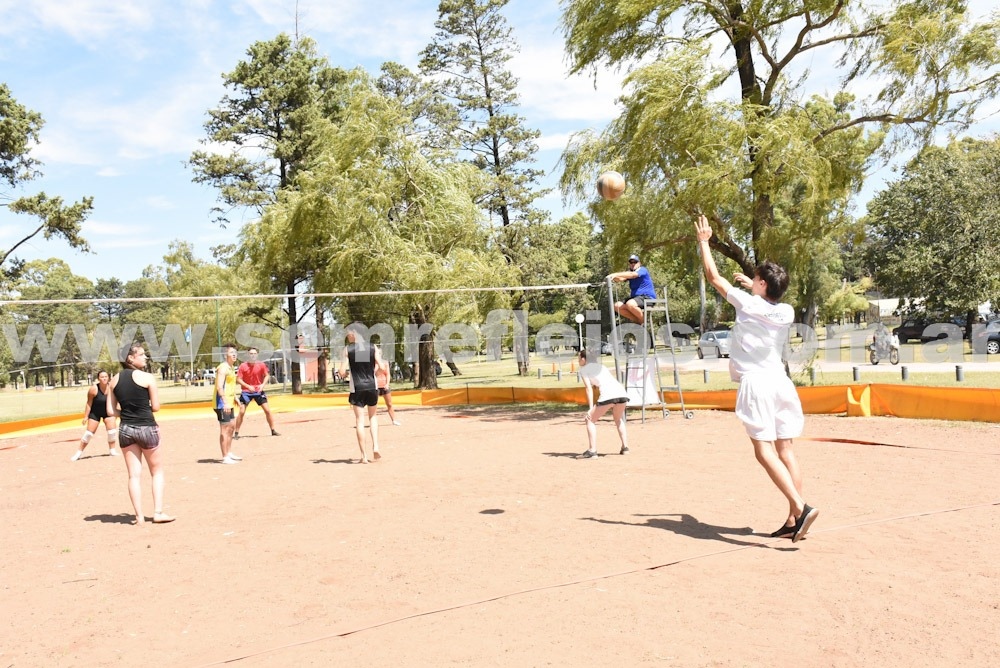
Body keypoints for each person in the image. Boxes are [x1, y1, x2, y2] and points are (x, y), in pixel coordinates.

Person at [694, 214, 818, 543]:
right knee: (786, 450)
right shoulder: (786, 310)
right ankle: (794, 522)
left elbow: (714, 276)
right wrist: (754, 286)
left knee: (763, 452)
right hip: (781, 383)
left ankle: (801, 507)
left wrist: (704, 242)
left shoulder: (748, 305)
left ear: (762, 284)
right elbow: (766, 302)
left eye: (756, 277)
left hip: (757, 383)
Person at [107, 343, 174, 525]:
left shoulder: (114, 380)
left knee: (133, 475)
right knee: (157, 471)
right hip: (147, 427)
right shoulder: (147, 377)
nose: (145, 357)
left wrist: (127, 413)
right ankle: (158, 512)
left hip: (126, 429)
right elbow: (156, 407)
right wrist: (142, 410)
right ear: (130, 358)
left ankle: (139, 516)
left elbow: (111, 411)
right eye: (142, 354)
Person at [338, 325, 385, 463]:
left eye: (348, 333)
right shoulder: (373, 347)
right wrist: (374, 374)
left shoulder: (348, 349)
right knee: (373, 417)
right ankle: (375, 447)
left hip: (357, 387)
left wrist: (346, 374)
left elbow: (341, 371)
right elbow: (382, 367)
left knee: (360, 421)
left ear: (355, 333)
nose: (347, 336)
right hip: (372, 386)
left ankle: (363, 456)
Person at [577, 349, 630, 458]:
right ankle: (625, 447)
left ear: (583, 359)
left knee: (589, 419)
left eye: (579, 358)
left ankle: (592, 451)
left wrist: (590, 408)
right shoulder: (602, 367)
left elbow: (589, 389)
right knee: (618, 419)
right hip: (622, 393)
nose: (578, 360)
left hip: (608, 395)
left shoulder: (584, 370)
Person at [70, 369, 120, 461]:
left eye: (106, 377)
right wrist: (86, 416)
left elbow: (116, 401)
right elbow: (89, 403)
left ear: (108, 378)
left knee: (112, 432)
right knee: (88, 434)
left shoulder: (112, 388)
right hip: (95, 413)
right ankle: (78, 453)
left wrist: (116, 412)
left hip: (108, 412)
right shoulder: (93, 389)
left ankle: (112, 450)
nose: (104, 379)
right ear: (98, 378)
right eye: (102, 377)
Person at [233, 347, 280, 439]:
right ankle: (236, 433)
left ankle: (273, 430)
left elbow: (267, 376)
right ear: (248, 354)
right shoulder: (243, 366)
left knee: (267, 411)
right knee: (242, 411)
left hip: (258, 391)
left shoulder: (261, 365)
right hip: (246, 392)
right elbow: (238, 379)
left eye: (254, 353)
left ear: (257, 355)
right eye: (251, 353)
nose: (253, 355)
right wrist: (248, 386)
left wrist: (262, 385)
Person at [608, 253, 656, 324]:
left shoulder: (642, 270)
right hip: (636, 298)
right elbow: (620, 279)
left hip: (647, 297)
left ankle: (643, 321)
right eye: (631, 262)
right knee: (616, 306)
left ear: (639, 263)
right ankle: (637, 321)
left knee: (630, 304)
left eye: (635, 262)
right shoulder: (630, 273)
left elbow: (633, 275)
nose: (633, 264)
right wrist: (611, 278)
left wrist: (615, 274)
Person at [215, 343, 242, 464]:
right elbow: (219, 387)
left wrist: (235, 397)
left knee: (231, 427)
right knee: (225, 429)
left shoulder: (231, 368)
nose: (234, 354)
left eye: (235, 352)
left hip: (229, 402)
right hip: (222, 403)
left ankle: (229, 452)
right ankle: (225, 456)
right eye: (231, 352)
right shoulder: (223, 368)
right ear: (225, 355)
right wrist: (225, 403)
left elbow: (229, 386)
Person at [375, 351, 401, 426]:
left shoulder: (385, 362)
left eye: (379, 353)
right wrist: (377, 366)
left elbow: (388, 374)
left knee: (389, 404)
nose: (378, 355)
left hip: (384, 385)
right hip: (375, 386)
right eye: (377, 353)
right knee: (374, 405)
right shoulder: (371, 363)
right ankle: (373, 422)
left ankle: (394, 420)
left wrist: (387, 384)